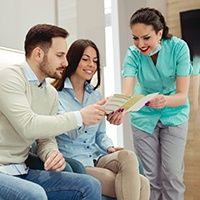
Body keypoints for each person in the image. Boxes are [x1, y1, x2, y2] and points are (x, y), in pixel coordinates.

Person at [0, 24, 107, 200]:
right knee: (35, 194)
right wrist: (79, 117)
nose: (65, 62)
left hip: (21, 170)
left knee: (89, 185)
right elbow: (29, 126)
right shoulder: (10, 78)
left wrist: (51, 153)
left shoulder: (50, 93)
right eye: (60, 56)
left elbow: (45, 138)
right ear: (38, 54)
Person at [108, 7, 192, 200]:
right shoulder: (133, 53)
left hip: (174, 114)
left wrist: (165, 100)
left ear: (159, 33)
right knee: (149, 178)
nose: (140, 44)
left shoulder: (179, 48)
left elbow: (181, 95)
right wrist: (121, 109)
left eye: (146, 37)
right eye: (135, 38)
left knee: (172, 175)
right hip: (143, 117)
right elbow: (127, 91)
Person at [52, 39, 150, 200]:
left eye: (95, 61)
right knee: (142, 184)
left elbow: (100, 134)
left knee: (128, 156)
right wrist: (90, 112)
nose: (91, 64)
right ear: (73, 59)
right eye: (85, 59)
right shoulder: (56, 95)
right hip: (75, 162)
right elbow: (71, 133)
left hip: (97, 156)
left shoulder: (95, 95)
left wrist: (109, 147)